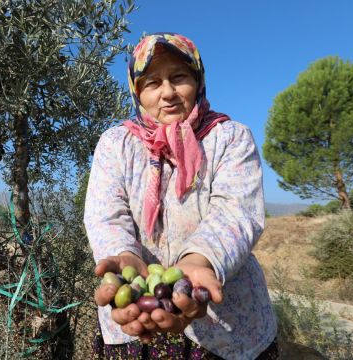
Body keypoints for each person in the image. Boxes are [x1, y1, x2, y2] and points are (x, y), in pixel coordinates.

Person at [84, 33, 278, 359]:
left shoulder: (230, 137)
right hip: (137, 322)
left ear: (198, 80)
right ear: (137, 92)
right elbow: (105, 213)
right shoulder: (116, 144)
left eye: (179, 77)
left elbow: (237, 211)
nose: (168, 93)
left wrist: (198, 260)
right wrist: (123, 254)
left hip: (228, 327)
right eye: (152, 83)